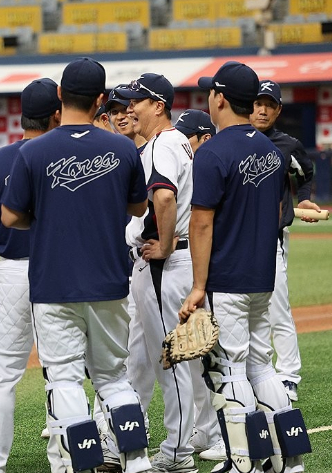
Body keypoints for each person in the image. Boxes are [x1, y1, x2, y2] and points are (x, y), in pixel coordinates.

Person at [2, 57, 152, 473]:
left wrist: (49, 212)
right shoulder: (122, 147)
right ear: (101, 100)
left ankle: (80, 465)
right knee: (114, 379)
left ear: (58, 96)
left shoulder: (34, 150)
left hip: (54, 283)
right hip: (108, 281)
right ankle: (137, 461)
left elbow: (11, 217)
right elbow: (139, 206)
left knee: (64, 378)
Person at [180, 61, 308, 473]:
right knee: (261, 365)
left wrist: (198, 286)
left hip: (227, 278)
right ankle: (290, 460)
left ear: (219, 98)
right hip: (262, 274)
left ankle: (243, 463)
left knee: (229, 370)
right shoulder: (272, 151)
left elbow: (201, 221)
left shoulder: (213, 150)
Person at [0, 78, 61, 473]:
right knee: (62, 372)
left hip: (15, 274)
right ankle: (66, 460)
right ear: (57, 112)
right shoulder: (71, 157)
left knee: (1, 374)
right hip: (61, 273)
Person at [115, 73, 197, 473]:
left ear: (159, 106)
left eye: (138, 101)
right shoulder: (171, 141)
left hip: (167, 262)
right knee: (145, 359)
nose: (130, 107)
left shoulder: (163, 143)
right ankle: (128, 441)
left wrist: (163, 245)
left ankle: (179, 454)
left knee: (171, 362)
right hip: (164, 264)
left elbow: (164, 195)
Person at [250, 79, 320, 402]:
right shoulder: (237, 140)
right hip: (241, 237)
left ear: (278, 110)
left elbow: (306, 171)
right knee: (250, 310)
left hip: (274, 236)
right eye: (257, 103)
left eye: (269, 104)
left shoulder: (286, 144)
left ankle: (289, 375)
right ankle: (259, 373)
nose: (262, 109)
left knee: (277, 307)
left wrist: (303, 198)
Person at [174, 108, 226, 462]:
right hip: (193, 268)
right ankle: (206, 430)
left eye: (186, 136)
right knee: (191, 353)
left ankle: (226, 433)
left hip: (214, 272)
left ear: (204, 138)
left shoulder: (213, 165)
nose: (180, 142)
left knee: (214, 354)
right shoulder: (188, 165)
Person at [105, 85, 147, 149]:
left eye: (125, 110)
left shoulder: (155, 147)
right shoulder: (114, 153)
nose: (120, 117)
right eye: (114, 112)